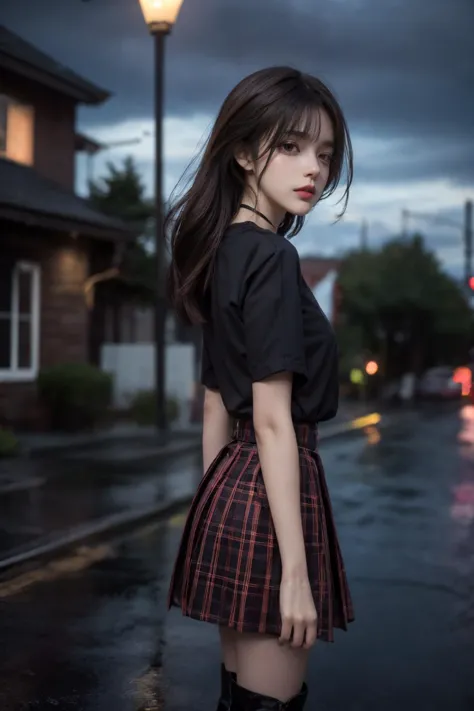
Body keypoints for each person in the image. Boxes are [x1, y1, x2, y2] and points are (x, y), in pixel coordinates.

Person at [166, 66, 355, 711]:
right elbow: (273, 420)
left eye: (325, 155)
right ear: (245, 153)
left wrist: (209, 512)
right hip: (274, 494)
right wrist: (295, 575)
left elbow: (216, 397)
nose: (314, 170)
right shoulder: (273, 257)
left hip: (230, 490)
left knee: (237, 698)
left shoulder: (225, 251)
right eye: (293, 147)